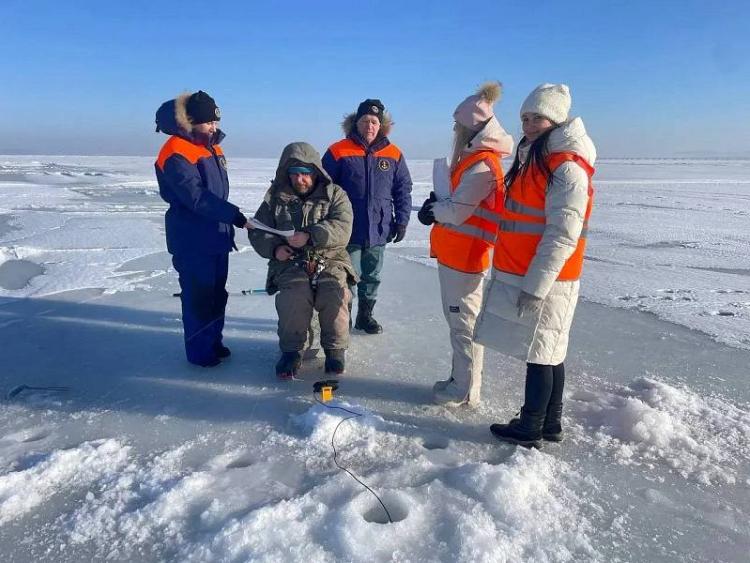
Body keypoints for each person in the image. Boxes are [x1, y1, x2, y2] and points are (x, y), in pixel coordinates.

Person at [474, 83, 596, 447]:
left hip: (549, 278)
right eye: (525, 118)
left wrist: (536, 286)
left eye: (537, 118)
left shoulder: (567, 169)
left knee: (540, 354)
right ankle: (550, 423)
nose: (528, 125)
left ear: (555, 121)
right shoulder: (541, 161)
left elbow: (562, 235)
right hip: (535, 272)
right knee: (550, 351)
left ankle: (530, 427)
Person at [417, 82, 513, 406]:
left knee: (464, 325)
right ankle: (460, 379)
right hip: (455, 255)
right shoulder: (472, 160)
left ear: (471, 127)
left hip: (466, 259)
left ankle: (465, 390)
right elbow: (458, 203)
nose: (454, 131)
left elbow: (458, 212)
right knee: (459, 323)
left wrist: (435, 209)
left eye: (458, 125)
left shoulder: (482, 165)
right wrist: (438, 203)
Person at [154, 91, 250, 367]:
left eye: (216, 122)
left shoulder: (212, 147)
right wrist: (234, 215)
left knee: (217, 295)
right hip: (192, 239)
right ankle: (200, 353)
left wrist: (227, 220)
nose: (214, 127)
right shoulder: (175, 151)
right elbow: (195, 197)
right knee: (199, 298)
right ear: (192, 121)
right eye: (209, 122)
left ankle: (213, 342)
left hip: (217, 236)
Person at [248, 142, 356, 379]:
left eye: (305, 173)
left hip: (330, 258)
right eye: (294, 173)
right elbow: (258, 230)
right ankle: (291, 352)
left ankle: (335, 350)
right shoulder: (275, 199)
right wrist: (275, 249)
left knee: (334, 293)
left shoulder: (335, 194)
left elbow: (343, 227)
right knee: (295, 296)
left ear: (315, 172)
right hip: (289, 262)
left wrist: (311, 235)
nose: (300, 179)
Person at [322, 99, 413, 334]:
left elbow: (403, 189)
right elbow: (323, 188)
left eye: (374, 122)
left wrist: (402, 220)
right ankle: (343, 319)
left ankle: (365, 316)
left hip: (379, 228)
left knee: (372, 276)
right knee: (348, 276)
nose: (369, 126)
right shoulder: (338, 150)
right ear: (356, 123)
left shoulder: (393, 153)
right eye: (365, 121)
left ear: (381, 125)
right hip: (347, 229)